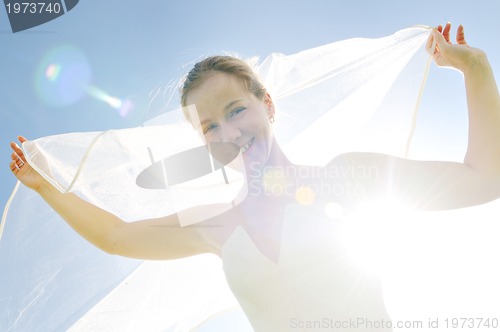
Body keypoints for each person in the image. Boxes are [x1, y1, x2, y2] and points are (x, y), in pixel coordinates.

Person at [8, 23, 500, 331]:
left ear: (268, 105)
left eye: (236, 109)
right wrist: (44, 185)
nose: (230, 132)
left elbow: (483, 179)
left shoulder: (348, 175)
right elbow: (115, 236)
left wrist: (475, 69)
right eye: (210, 127)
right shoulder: (218, 226)